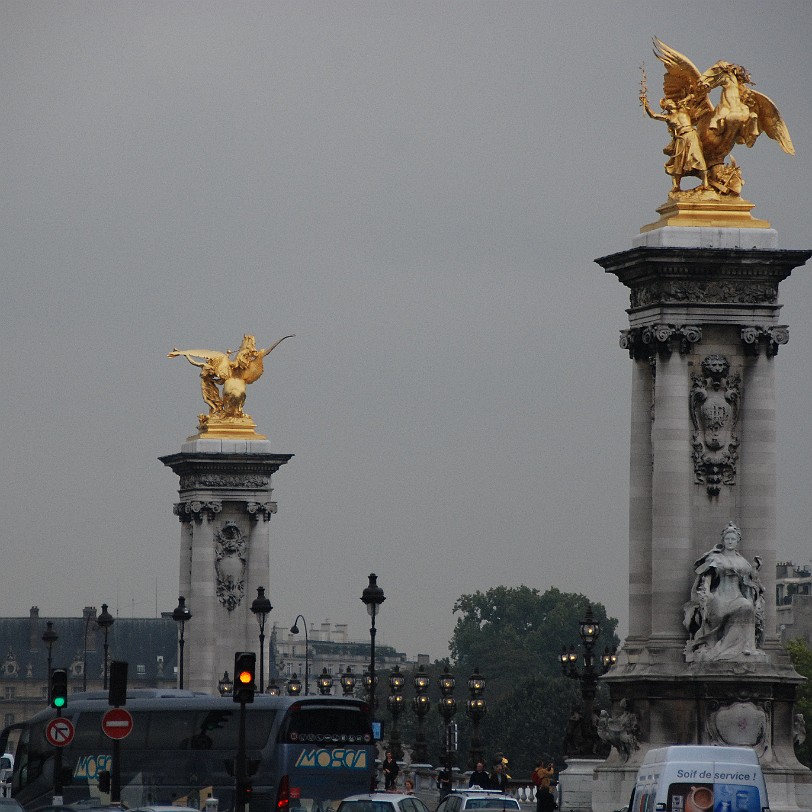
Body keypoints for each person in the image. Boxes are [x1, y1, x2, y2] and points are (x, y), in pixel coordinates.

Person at [683, 522, 765, 662]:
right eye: (727, 539)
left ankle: (746, 646)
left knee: (746, 606)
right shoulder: (716, 558)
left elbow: (748, 584)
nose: (730, 541)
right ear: (723, 540)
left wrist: (756, 587)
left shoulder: (743, 562)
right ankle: (724, 647)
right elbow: (706, 578)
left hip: (737, 596)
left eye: (733, 539)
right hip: (719, 597)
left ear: (738, 541)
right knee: (742, 607)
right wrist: (706, 593)